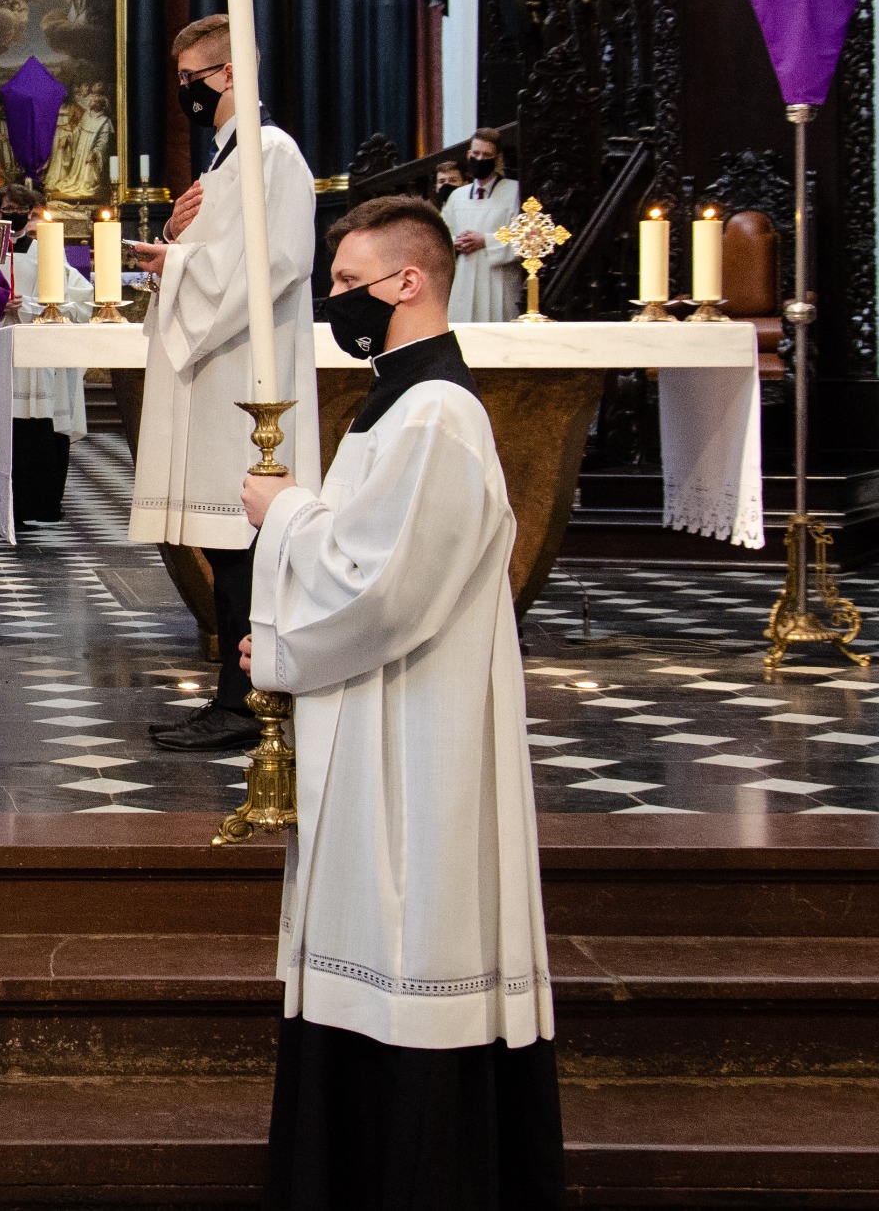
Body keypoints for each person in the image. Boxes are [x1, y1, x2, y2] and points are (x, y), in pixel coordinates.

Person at [237, 195, 562, 1207]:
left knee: (409, 929)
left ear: (407, 281)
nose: (336, 303)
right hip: (379, 719)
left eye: (347, 285)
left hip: (414, 738)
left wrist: (281, 514)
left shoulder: (436, 416)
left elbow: (383, 586)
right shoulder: (400, 403)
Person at [130, 15, 320, 753]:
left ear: (233, 72)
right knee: (230, 546)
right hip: (221, 371)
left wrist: (176, 264)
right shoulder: (225, 162)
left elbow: (274, 265)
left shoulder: (270, 154)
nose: (184, 94)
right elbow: (221, 258)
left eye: (192, 80)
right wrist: (175, 245)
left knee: (246, 543)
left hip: (248, 377)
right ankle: (238, 694)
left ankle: (250, 703)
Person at [0, 184, 90, 522]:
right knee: (6, 428)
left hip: (41, 356)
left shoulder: (47, 251)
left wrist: (35, 305)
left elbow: (78, 298)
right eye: (8, 206)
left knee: (43, 432)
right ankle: (5, 505)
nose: (14, 213)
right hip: (2, 351)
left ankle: (44, 503)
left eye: (21, 208)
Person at [441, 127, 522, 322]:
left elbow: (524, 238)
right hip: (464, 277)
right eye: (476, 153)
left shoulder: (515, 191)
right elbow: (441, 234)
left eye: (486, 155)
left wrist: (485, 240)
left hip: (498, 280)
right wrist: (456, 242)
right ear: (468, 155)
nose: (480, 159)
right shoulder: (457, 196)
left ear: (499, 159)